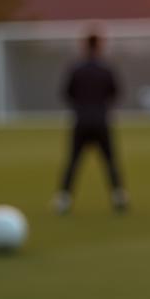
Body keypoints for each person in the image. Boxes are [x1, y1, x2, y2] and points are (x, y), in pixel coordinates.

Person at [53, 31, 127, 214]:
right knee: (110, 161)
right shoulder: (106, 69)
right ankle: (118, 197)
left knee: (73, 160)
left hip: (81, 120)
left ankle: (64, 199)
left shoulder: (76, 68)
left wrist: (82, 105)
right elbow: (115, 92)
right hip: (101, 120)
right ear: (100, 45)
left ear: (84, 45)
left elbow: (66, 93)